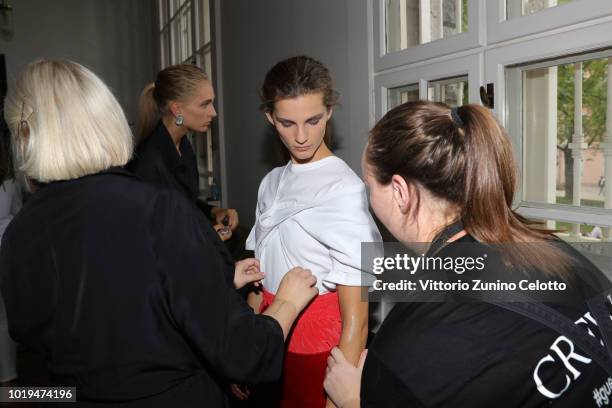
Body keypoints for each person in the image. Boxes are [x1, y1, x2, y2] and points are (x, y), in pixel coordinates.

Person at [0, 59, 319, 407]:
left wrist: (215, 277)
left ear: (23, 136)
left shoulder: (19, 231)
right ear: (106, 119)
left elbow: (62, 318)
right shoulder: (157, 210)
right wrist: (286, 303)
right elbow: (242, 352)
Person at [324, 101, 612, 407]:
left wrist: (355, 399)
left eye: (369, 186)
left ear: (399, 192)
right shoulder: (548, 248)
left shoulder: (407, 345)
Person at [244, 56, 381, 408]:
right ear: (269, 117)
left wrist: (339, 398)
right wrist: (246, 348)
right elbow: (259, 282)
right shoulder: (270, 183)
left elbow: (358, 319)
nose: (301, 136)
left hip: (317, 352)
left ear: (329, 111)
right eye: (287, 123)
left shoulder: (343, 190)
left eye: (313, 120)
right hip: (270, 337)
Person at [128, 64, 238, 241]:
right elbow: (155, 238)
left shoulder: (183, 145)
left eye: (212, 102)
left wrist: (214, 211)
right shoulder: (148, 163)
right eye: (205, 104)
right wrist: (208, 238)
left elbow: (184, 204)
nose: (214, 112)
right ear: (177, 109)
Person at [0, 131, 21, 384]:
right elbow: (19, 216)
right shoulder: (10, 184)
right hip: (6, 254)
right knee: (4, 317)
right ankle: (8, 374)